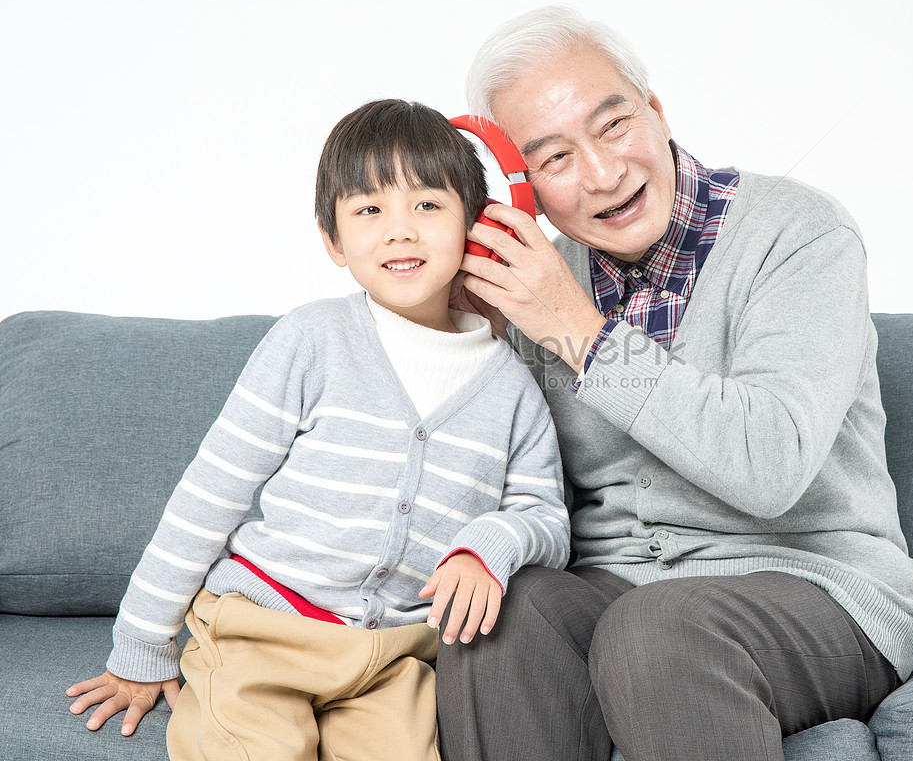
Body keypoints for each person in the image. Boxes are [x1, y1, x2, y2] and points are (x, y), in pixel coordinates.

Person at [437, 6, 913, 761]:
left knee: (656, 628)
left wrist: (580, 333)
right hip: (620, 594)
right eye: (555, 159)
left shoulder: (800, 234)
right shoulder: (538, 286)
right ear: (520, 188)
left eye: (613, 126)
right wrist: (459, 333)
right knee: (499, 613)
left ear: (657, 112)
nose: (605, 174)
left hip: (817, 590)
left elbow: (771, 466)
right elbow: (497, 497)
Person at [65, 99, 570, 761]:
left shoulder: (512, 388)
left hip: (393, 662)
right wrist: (141, 642)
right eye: (369, 210)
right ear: (334, 241)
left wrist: (489, 545)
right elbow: (210, 494)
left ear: (477, 229)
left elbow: (548, 519)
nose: (399, 231)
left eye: (426, 206)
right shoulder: (312, 339)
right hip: (263, 633)